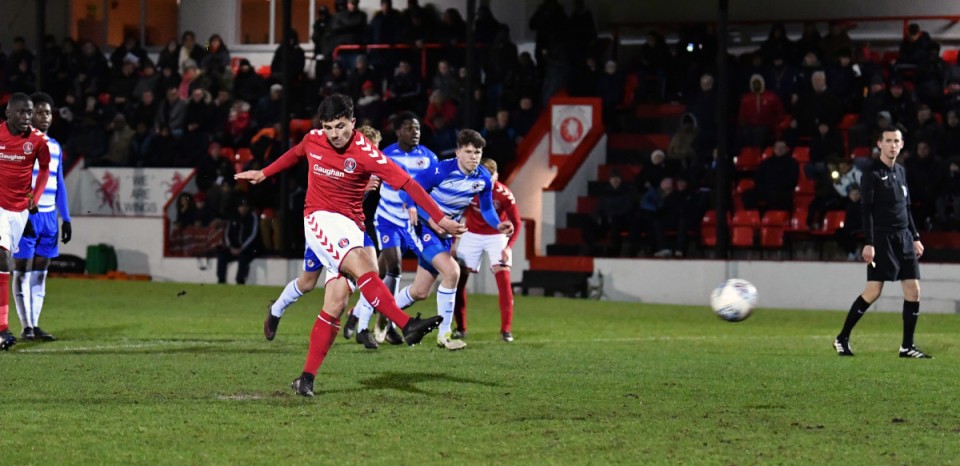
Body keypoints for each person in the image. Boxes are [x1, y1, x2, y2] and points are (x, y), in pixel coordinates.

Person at [235, 93, 464, 397]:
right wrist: (264, 172)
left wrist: (439, 217)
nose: (334, 134)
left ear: (353, 122)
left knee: (336, 302)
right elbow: (295, 153)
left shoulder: (367, 153)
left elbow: (409, 184)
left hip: (352, 227)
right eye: (329, 127)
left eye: (340, 127)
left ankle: (306, 379)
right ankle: (405, 323)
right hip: (318, 218)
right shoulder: (314, 139)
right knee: (344, 270)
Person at [393, 129, 514, 350]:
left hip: (445, 233)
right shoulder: (441, 170)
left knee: (420, 291)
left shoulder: (483, 178)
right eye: (468, 152)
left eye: (477, 152)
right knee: (452, 272)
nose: (473, 157)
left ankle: (378, 312)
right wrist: (418, 210)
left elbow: (487, 209)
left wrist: (498, 224)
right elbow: (407, 189)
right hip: (423, 227)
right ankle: (445, 335)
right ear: (458, 152)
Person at [262, 126, 384, 343]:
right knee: (307, 283)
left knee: (372, 273)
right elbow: (335, 196)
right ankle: (276, 309)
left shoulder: (374, 168)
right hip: (326, 228)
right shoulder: (342, 162)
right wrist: (362, 188)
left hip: (353, 230)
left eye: (376, 149)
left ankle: (361, 325)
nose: (373, 154)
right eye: (370, 148)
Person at [834, 129, 931, 358]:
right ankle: (842, 338)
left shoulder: (901, 171)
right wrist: (869, 243)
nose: (892, 145)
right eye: (888, 141)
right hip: (882, 238)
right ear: (880, 144)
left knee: (913, 290)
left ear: (902, 144)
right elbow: (866, 210)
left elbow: (906, 208)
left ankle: (907, 347)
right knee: (874, 290)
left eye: (896, 141)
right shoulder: (872, 173)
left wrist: (915, 236)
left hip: (904, 238)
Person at [345, 112, 438, 348]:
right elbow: (364, 183)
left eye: (417, 128)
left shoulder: (429, 157)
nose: (414, 132)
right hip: (388, 220)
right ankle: (380, 325)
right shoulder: (386, 155)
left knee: (378, 273)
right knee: (394, 267)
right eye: (408, 128)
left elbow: (432, 190)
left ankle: (361, 314)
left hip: (413, 224)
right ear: (398, 132)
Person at [12, 92, 72, 342]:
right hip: (26, 215)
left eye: (47, 112)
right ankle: (26, 326)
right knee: (22, 269)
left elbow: (59, 183)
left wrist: (66, 218)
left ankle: (35, 324)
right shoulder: (20, 143)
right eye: (38, 112)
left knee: (41, 271)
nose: (44, 116)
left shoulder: (55, 146)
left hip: (49, 218)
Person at [0, 92, 52, 351]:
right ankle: (2, 329)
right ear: (8, 113)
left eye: (29, 112)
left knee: (5, 263)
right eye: (21, 112)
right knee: (2, 258)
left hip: (20, 210)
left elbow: (45, 169)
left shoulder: (38, 140)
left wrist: (35, 198)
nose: (26, 117)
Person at [452, 158, 521, 342]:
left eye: (490, 178)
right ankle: (461, 328)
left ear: (496, 176)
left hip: (497, 236)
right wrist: (452, 244)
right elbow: (455, 215)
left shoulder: (504, 194)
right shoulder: (469, 189)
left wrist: (508, 247)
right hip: (471, 235)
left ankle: (506, 330)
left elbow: (517, 223)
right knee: (457, 280)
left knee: (504, 280)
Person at [216, 198, 259, 285]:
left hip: (248, 248)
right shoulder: (233, 217)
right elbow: (227, 233)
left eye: (245, 206)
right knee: (222, 256)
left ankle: (240, 280)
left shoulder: (252, 217)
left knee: (244, 258)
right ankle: (221, 280)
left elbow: (253, 234)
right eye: (241, 206)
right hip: (233, 247)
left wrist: (242, 248)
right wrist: (230, 247)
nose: (243, 208)